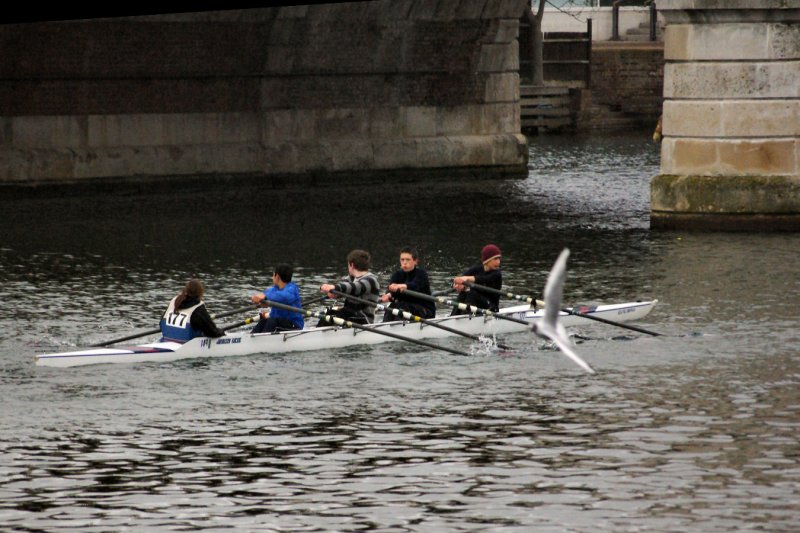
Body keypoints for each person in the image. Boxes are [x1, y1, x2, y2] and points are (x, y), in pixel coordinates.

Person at [317, 249, 381, 326]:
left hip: (363, 319)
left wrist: (334, 287)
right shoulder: (351, 278)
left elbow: (355, 288)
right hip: (350, 315)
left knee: (332, 318)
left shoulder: (371, 280)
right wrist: (335, 294)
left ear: (352, 265)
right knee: (328, 314)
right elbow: (344, 287)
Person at [379, 246, 436, 322]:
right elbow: (392, 293)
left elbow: (415, 285)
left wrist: (402, 286)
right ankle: (384, 327)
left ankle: (398, 328)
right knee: (391, 307)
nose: (404, 262)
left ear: (415, 261)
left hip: (425, 310)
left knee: (402, 306)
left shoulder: (421, 274)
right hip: (406, 309)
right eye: (402, 260)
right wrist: (388, 295)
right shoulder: (397, 275)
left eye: (408, 260)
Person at [160, 278, 226, 342]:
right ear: (200, 292)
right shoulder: (198, 308)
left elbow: (161, 320)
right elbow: (212, 332)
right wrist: (222, 332)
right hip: (186, 345)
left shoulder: (174, 300)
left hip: (166, 340)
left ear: (186, 290)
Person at [250, 264, 305, 333]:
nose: (272, 277)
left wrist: (265, 297)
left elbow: (284, 297)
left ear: (277, 276)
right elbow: (264, 297)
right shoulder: (273, 289)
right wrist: (257, 300)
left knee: (272, 320)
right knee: (264, 320)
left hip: (294, 325)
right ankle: (251, 337)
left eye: (273, 275)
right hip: (278, 322)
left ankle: (263, 341)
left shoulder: (292, 289)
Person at [451, 244, 503, 315]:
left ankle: (464, 317)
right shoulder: (476, 269)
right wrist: (457, 285)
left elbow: (483, 279)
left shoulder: (497, 274)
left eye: (499, 259)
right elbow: (460, 279)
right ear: (487, 260)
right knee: (463, 293)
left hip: (491, 307)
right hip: (478, 306)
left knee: (472, 293)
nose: (498, 262)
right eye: (495, 259)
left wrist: (466, 279)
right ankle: (453, 316)